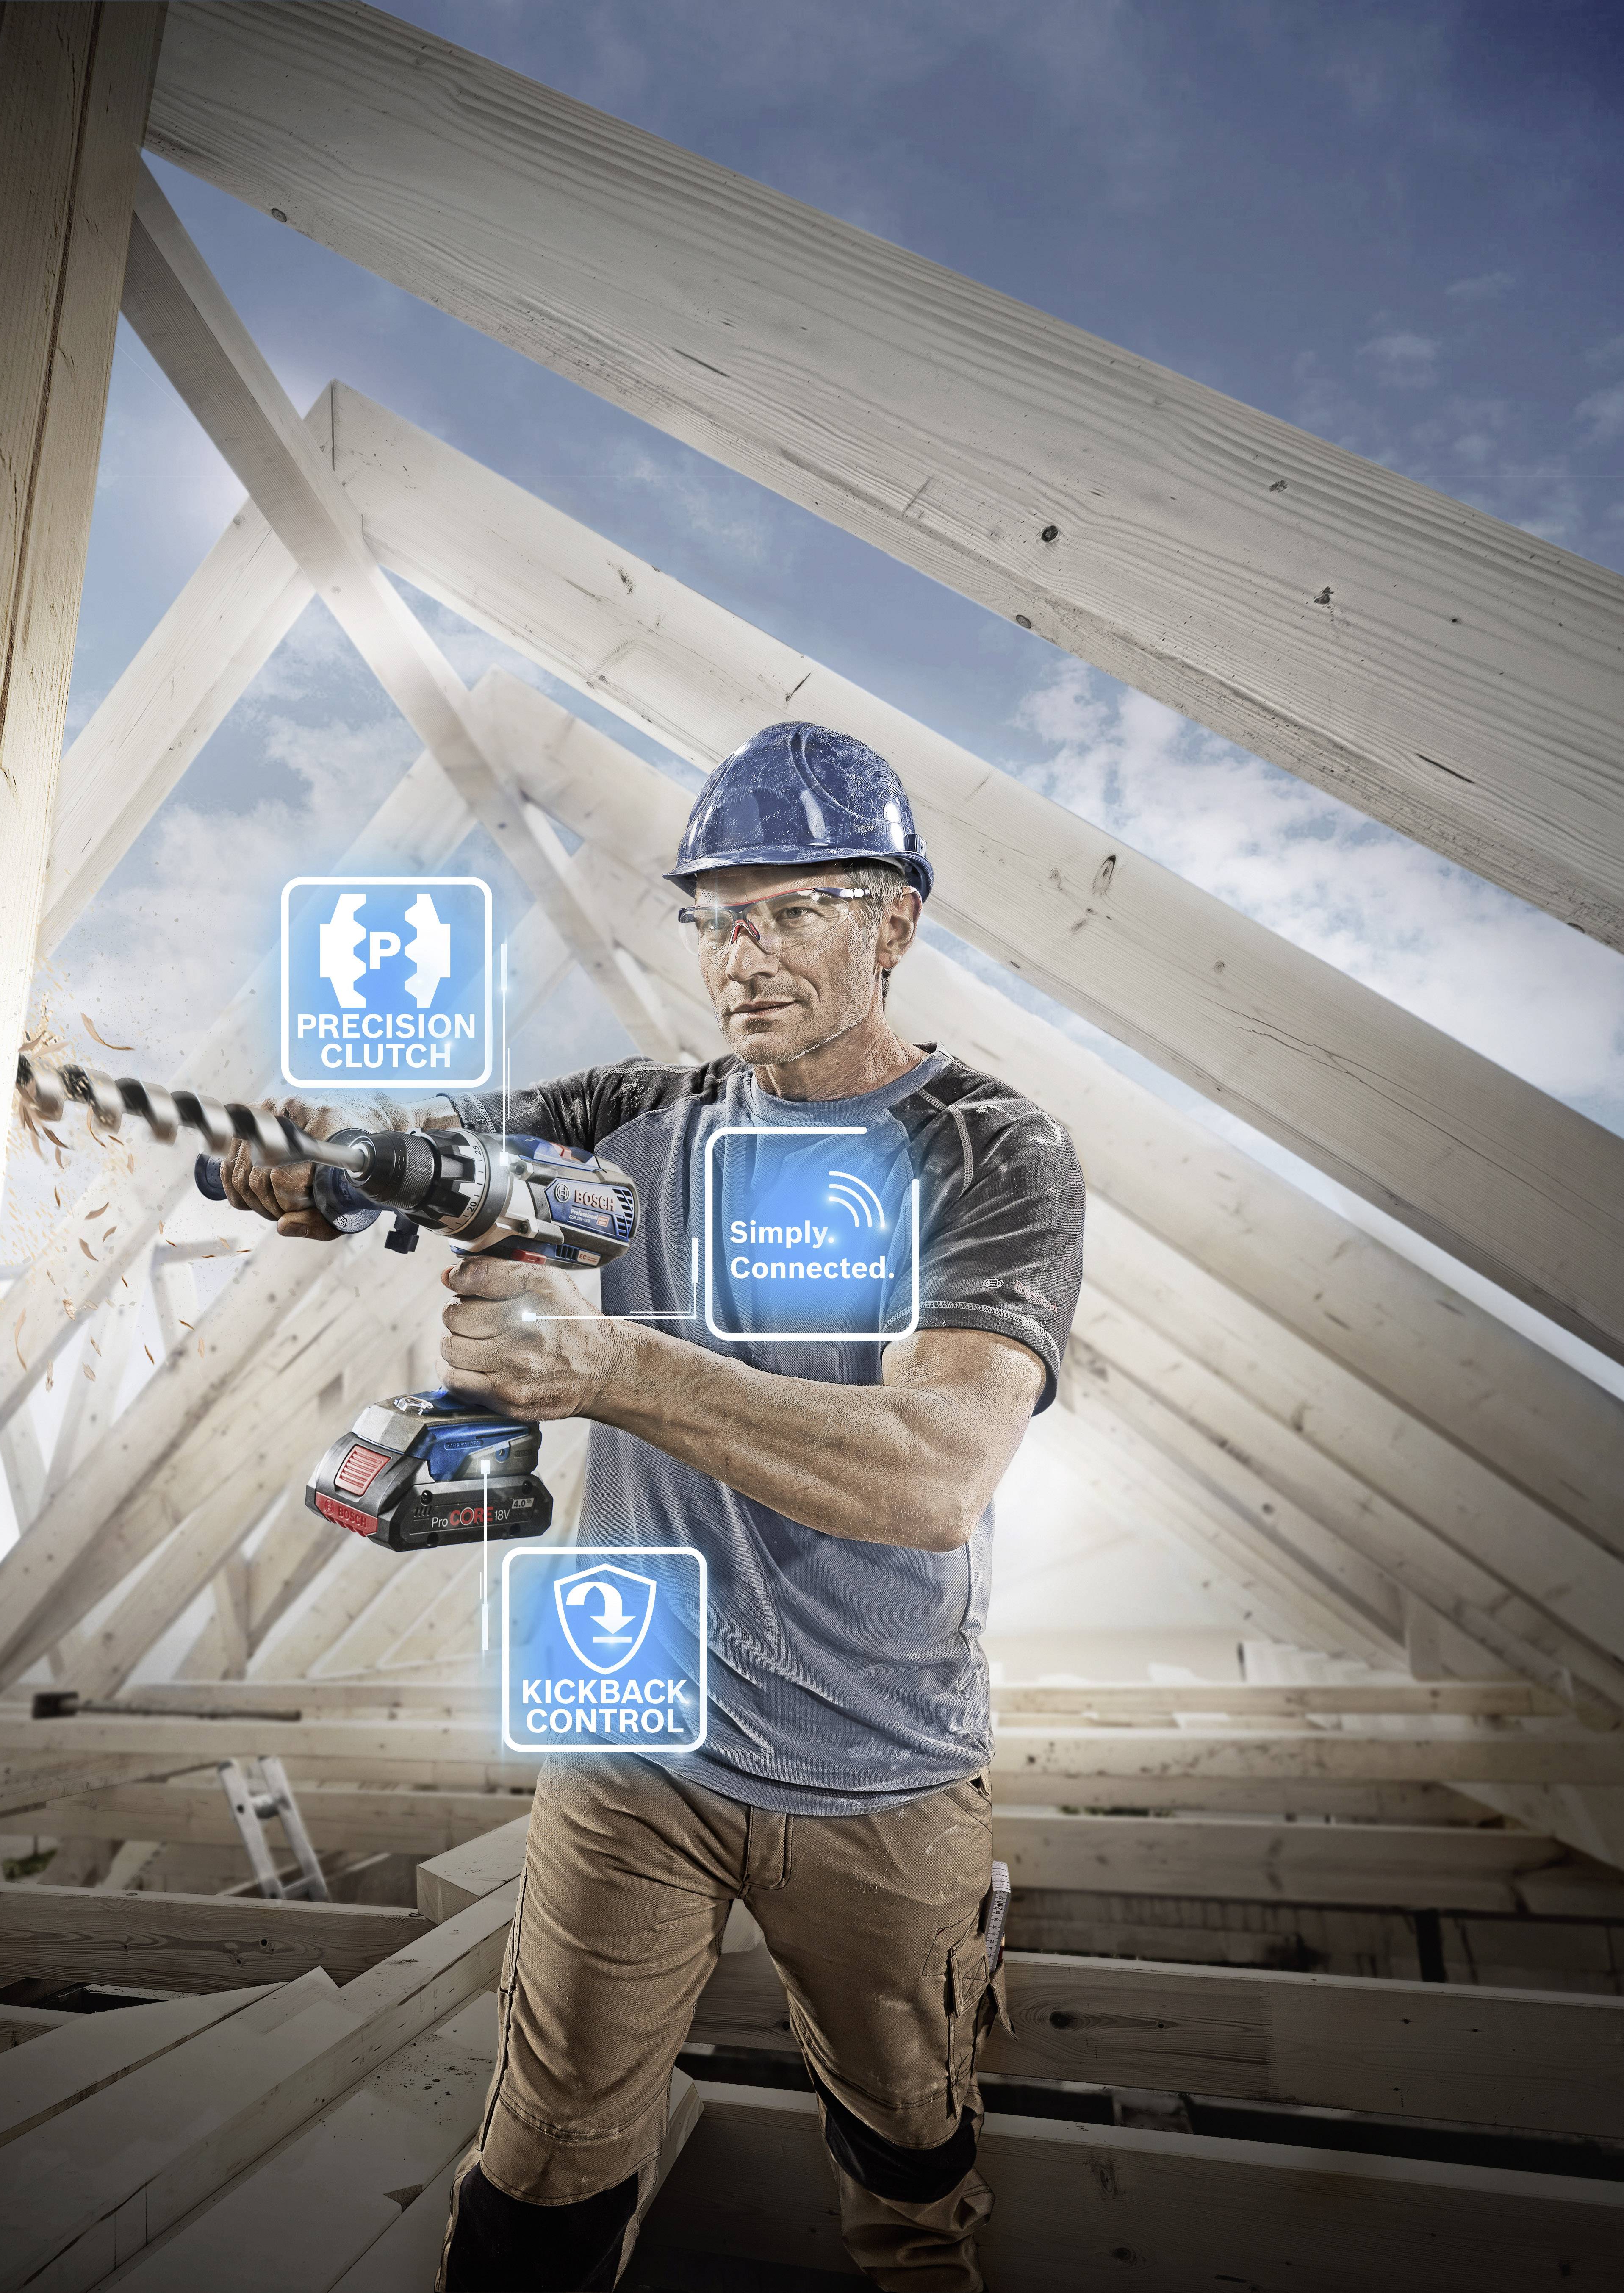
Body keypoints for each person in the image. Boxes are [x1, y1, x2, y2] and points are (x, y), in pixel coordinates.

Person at [219, 722, 1084, 2291]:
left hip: (882, 1768)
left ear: (895, 922)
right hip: (633, 1746)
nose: (743, 955)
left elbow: (935, 1472)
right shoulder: (634, 1110)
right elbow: (442, 1146)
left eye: (792, 910)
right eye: (714, 917)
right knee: (542, 2169)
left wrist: (612, 1365)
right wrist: (329, 1165)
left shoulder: (984, 1148)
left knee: (908, 2158)